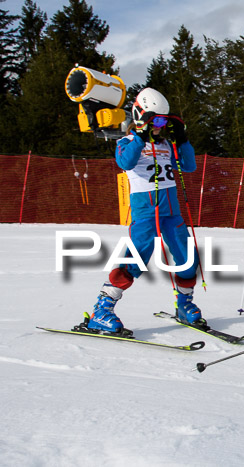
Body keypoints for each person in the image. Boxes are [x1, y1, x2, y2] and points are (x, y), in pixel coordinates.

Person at [84, 87, 203, 335]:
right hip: (146, 210)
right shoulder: (127, 141)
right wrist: (140, 136)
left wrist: (183, 140)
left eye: (164, 121)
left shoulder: (168, 144)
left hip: (172, 210)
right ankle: (103, 308)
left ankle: (185, 303)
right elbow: (125, 162)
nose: (160, 126)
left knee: (187, 255)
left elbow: (189, 166)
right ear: (141, 117)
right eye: (155, 120)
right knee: (137, 255)